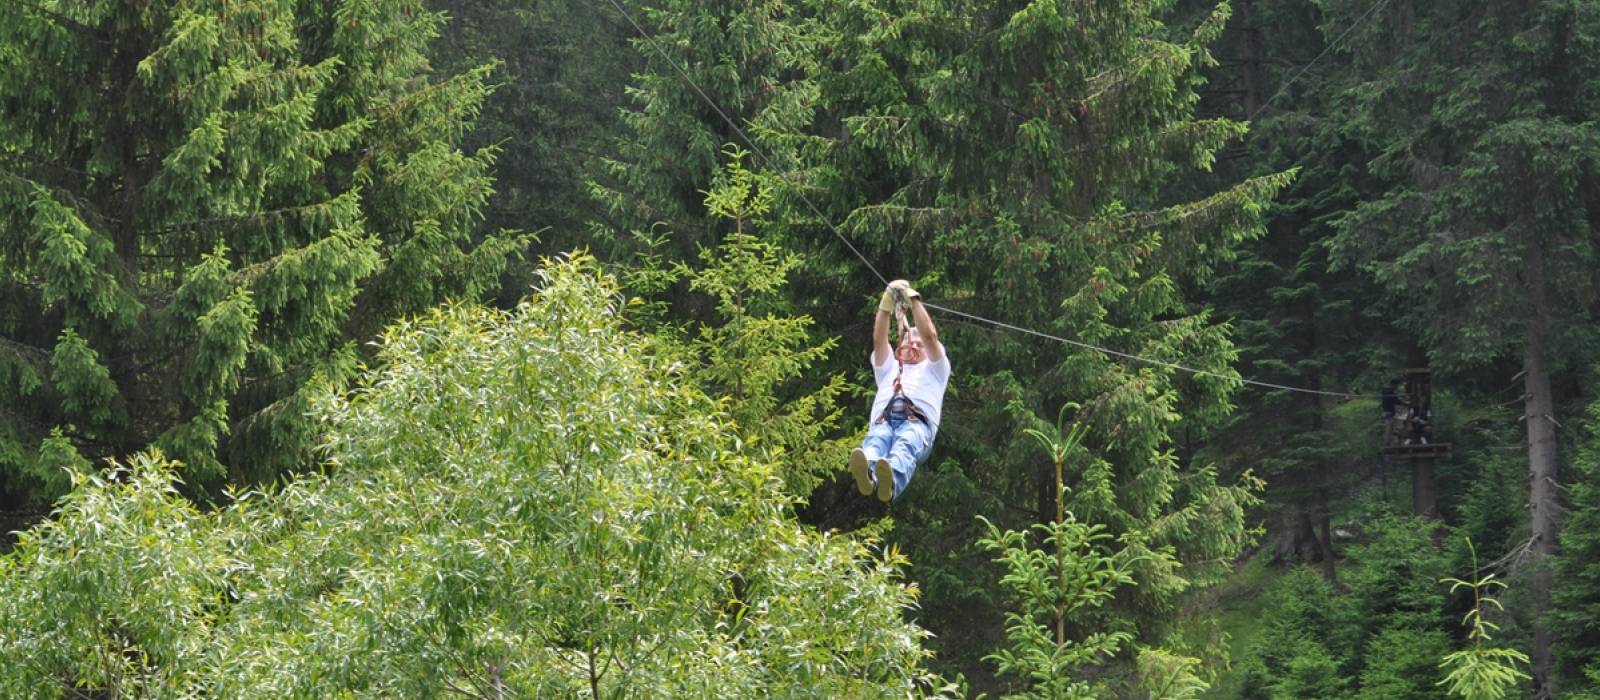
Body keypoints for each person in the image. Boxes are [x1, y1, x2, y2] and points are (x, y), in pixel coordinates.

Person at [849, 279, 950, 502]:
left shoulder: (935, 369)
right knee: (877, 441)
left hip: (917, 422)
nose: (913, 346)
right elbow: (879, 341)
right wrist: (885, 307)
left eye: (918, 345)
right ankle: (870, 476)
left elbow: (930, 336)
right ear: (898, 348)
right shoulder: (889, 368)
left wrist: (912, 300)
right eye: (908, 342)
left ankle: (892, 480)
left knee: (906, 443)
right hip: (884, 420)